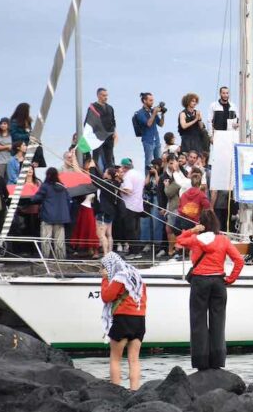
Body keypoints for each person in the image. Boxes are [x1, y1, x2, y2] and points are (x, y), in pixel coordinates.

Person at [176, 209, 244, 370]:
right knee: (218, 321)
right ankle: (217, 360)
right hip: (218, 281)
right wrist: (230, 279)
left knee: (198, 321)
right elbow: (239, 261)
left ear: (201, 224)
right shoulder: (224, 240)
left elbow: (179, 240)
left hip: (200, 281)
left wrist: (193, 230)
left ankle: (201, 360)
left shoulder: (195, 239)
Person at [99, 252, 146, 390]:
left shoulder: (119, 277)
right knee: (134, 359)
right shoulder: (136, 276)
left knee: (115, 358)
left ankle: (116, 391)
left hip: (122, 320)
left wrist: (105, 279)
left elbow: (106, 297)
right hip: (139, 320)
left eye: (102, 267)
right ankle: (135, 390)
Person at [31, 167, 72, 259]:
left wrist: (31, 197)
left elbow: (36, 199)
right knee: (59, 240)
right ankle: (60, 259)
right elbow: (68, 200)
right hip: (61, 217)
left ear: (47, 175)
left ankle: (46, 258)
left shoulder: (45, 186)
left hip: (47, 217)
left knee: (46, 239)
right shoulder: (62, 186)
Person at [117, 158, 144, 257]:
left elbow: (128, 190)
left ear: (124, 167)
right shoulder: (139, 174)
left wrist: (119, 188)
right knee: (136, 229)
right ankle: (137, 251)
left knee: (130, 230)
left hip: (129, 206)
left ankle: (134, 252)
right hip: (138, 205)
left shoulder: (128, 176)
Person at [133, 92, 165, 171]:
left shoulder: (152, 111)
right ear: (144, 101)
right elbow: (148, 124)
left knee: (159, 162)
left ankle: (158, 179)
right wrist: (154, 113)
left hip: (156, 140)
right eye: (150, 100)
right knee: (149, 163)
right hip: (148, 141)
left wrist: (163, 114)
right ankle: (148, 182)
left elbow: (161, 124)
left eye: (152, 100)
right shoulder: (140, 113)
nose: (152, 102)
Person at [90, 88, 117, 171]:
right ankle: (95, 175)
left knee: (109, 159)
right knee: (96, 158)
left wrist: (114, 131)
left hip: (109, 137)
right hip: (98, 137)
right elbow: (89, 122)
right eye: (103, 95)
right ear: (98, 96)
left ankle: (110, 176)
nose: (106, 97)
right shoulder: (93, 107)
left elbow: (113, 121)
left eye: (106, 95)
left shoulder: (110, 107)